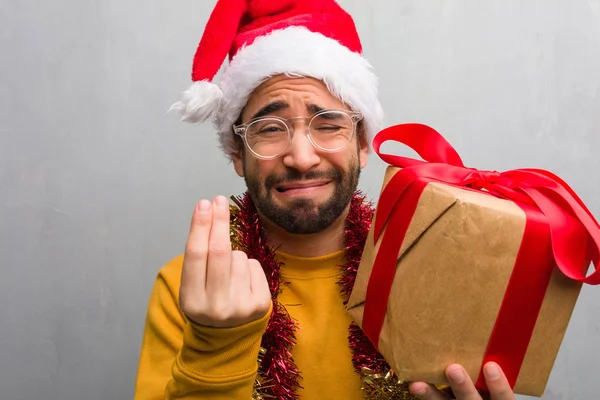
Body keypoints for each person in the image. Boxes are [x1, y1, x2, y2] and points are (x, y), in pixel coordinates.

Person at [133, 1, 516, 399]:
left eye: (329, 124)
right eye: (269, 128)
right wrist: (216, 349)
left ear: (364, 142)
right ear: (236, 152)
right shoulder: (190, 288)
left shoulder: (433, 274)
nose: (301, 157)